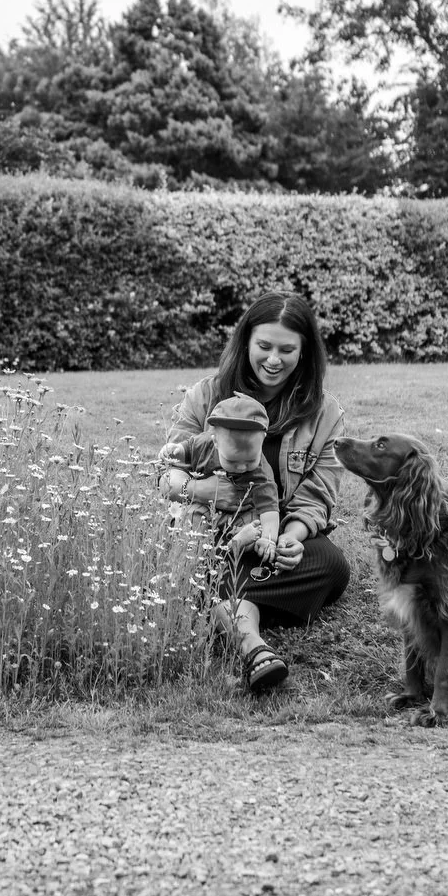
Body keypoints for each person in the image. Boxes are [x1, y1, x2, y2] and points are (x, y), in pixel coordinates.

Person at [159, 292, 351, 694]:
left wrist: (290, 538)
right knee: (192, 557)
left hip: (268, 538)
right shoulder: (205, 396)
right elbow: (167, 478)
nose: (274, 360)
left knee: (331, 565)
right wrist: (207, 490)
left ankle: (202, 601)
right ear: (246, 342)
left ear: (306, 353)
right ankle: (251, 642)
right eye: (264, 346)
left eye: (287, 349)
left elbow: (317, 496)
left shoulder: (324, 413)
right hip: (206, 534)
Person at [158, 392, 281, 573]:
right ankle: (185, 566)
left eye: (249, 462)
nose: (240, 468)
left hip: (241, 513)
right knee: (190, 516)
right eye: (232, 461)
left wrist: (269, 539)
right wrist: (176, 450)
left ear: (262, 440)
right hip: (207, 506)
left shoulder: (262, 472)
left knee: (256, 527)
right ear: (215, 441)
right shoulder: (205, 443)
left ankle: (236, 543)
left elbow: (269, 510)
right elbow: (189, 448)